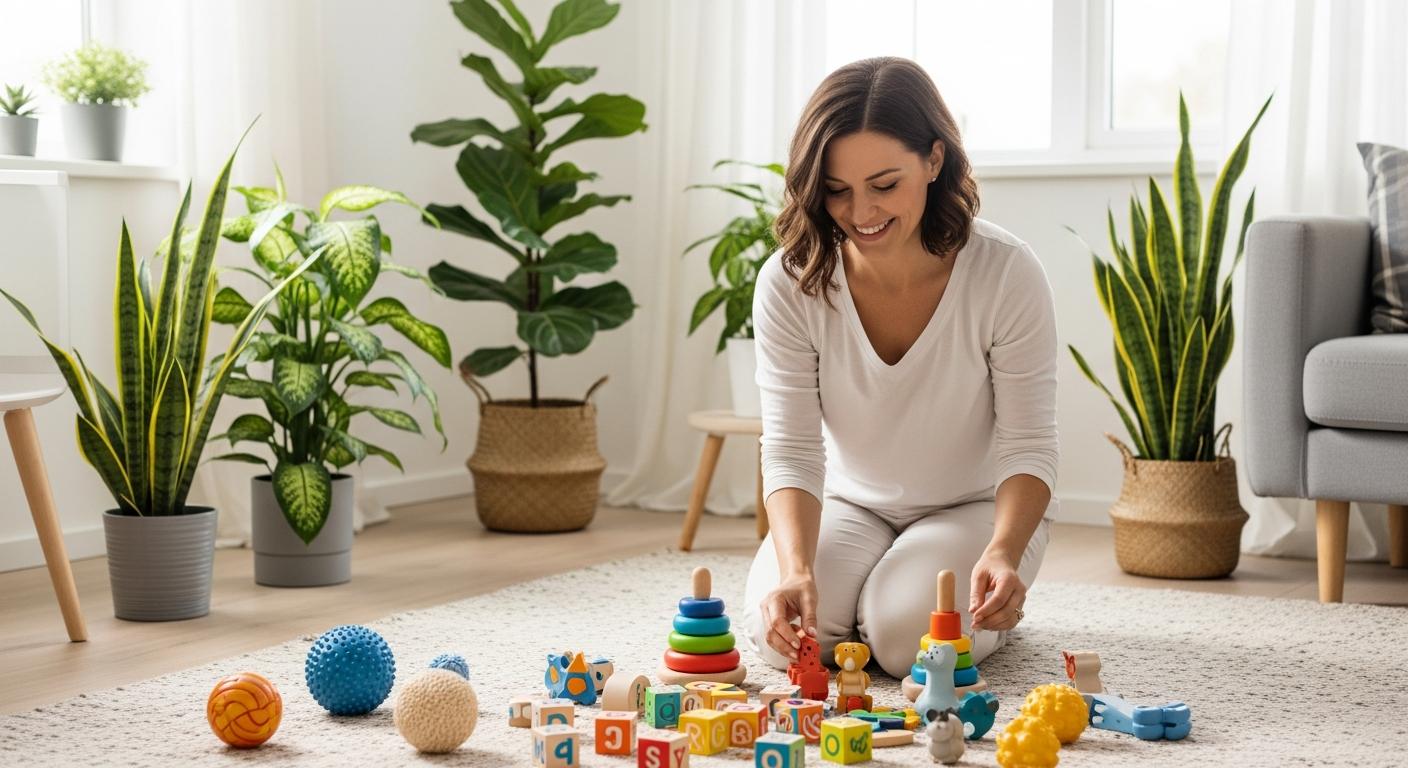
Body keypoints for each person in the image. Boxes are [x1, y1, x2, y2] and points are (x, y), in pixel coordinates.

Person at [741, 56, 1059, 679]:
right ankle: (861, 585)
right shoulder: (790, 281)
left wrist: (1003, 550)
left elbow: (1029, 445)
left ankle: (902, 595)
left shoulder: (1005, 272)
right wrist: (798, 569)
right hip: (849, 503)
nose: (861, 212)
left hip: (975, 509)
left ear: (934, 160)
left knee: (906, 642)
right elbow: (791, 448)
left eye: (885, 185)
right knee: (782, 635)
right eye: (837, 189)